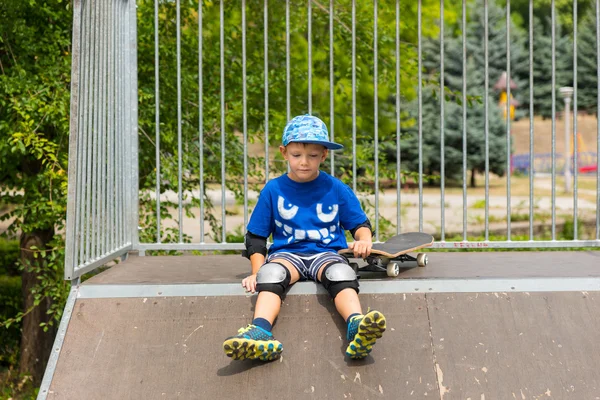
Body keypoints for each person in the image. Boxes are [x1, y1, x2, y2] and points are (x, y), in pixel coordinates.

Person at [222, 114, 386, 361]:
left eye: (312, 156)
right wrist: (256, 271)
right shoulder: (273, 190)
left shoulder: (336, 188)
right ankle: (259, 333)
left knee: (341, 273)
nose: (304, 162)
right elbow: (256, 237)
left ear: (323, 155)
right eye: (297, 155)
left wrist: (364, 240)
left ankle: (357, 327)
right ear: (284, 153)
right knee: (271, 274)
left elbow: (360, 224)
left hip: (327, 253)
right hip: (288, 255)